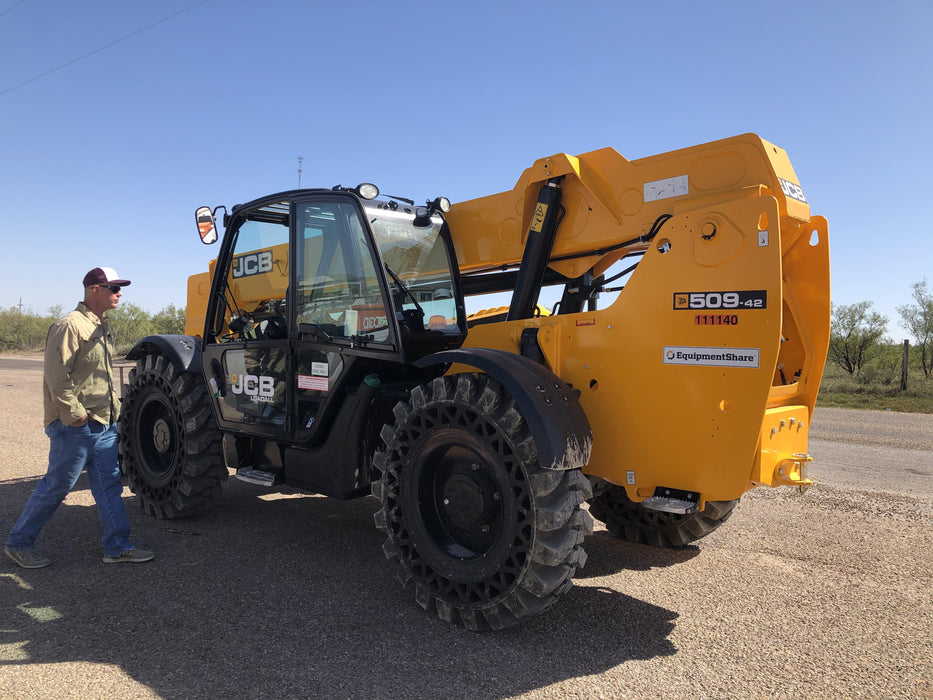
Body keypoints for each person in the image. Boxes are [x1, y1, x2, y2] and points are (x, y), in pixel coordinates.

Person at [4, 267, 154, 568]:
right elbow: (56, 376)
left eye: (120, 288)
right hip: (77, 425)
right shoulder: (69, 325)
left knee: (109, 483)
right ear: (94, 290)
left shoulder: (100, 326)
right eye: (113, 288)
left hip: (103, 422)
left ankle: (117, 546)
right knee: (58, 485)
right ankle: (19, 543)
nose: (119, 293)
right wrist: (75, 416)